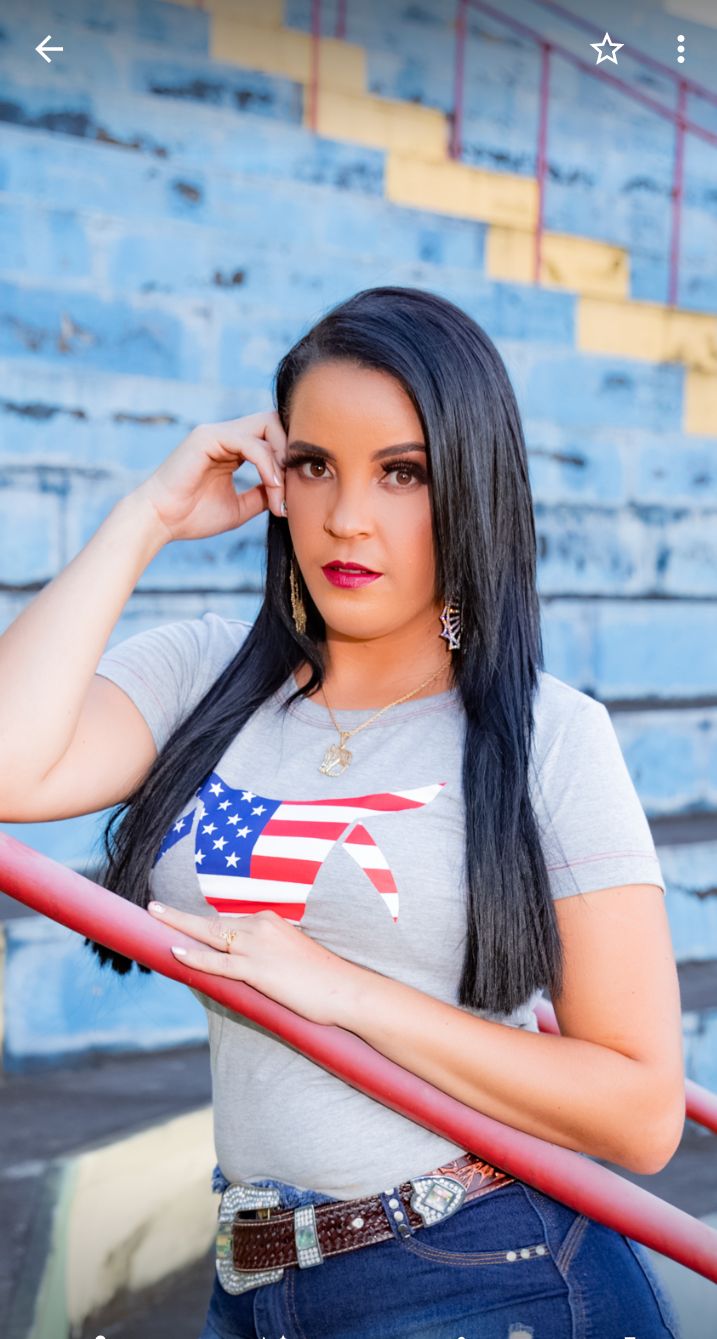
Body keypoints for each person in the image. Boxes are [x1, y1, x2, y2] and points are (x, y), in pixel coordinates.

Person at [0, 287, 684, 1338]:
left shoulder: (548, 734)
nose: (346, 516)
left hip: (481, 1268)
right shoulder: (204, 674)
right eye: (315, 465)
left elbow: (639, 1112)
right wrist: (150, 516)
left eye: (401, 472)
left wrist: (341, 991)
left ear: (470, 486)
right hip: (253, 1281)